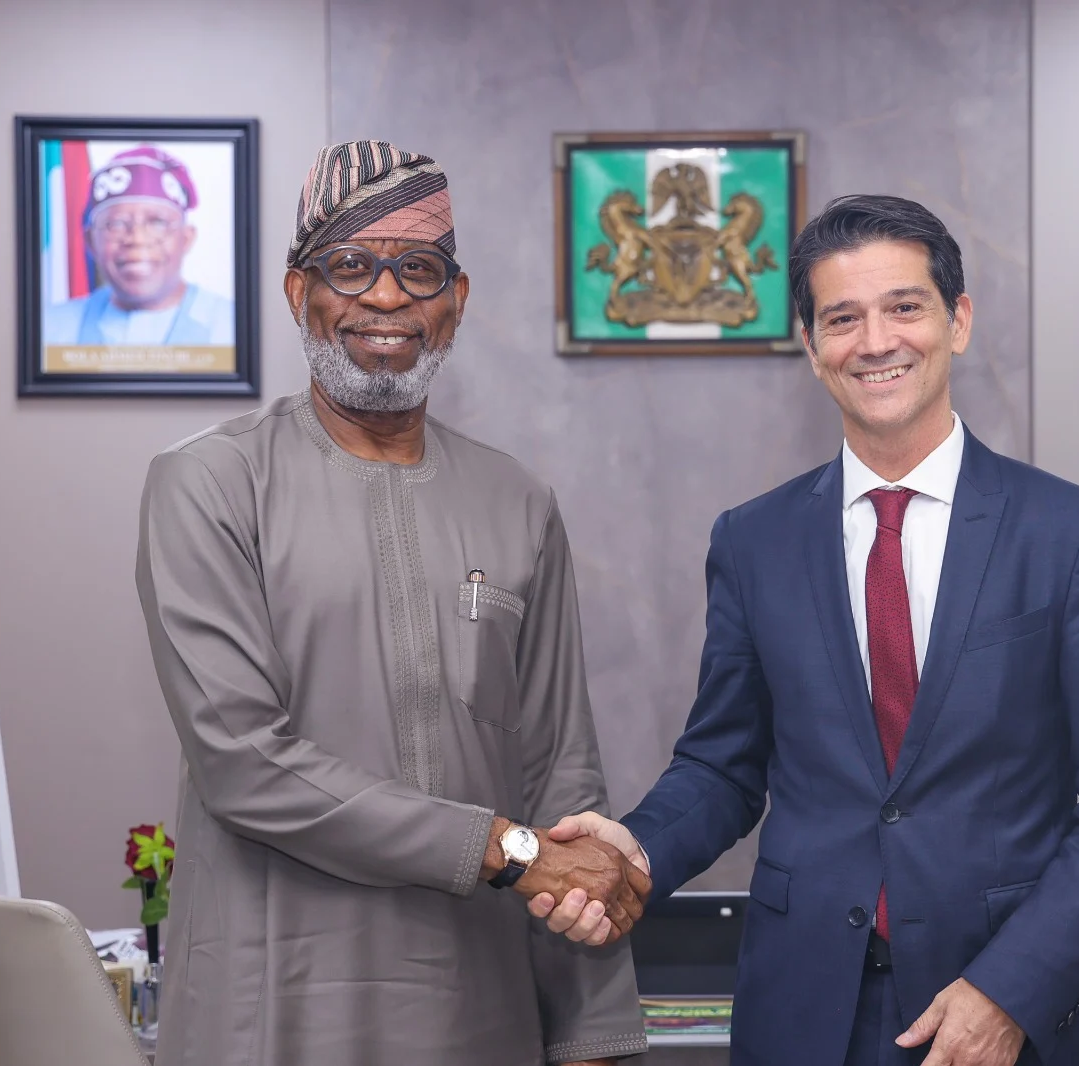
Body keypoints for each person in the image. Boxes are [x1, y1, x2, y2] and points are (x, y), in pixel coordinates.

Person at [535, 195, 1079, 1066]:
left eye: (904, 307)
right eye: (842, 318)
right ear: (811, 348)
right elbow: (724, 765)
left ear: (957, 320)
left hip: (1010, 1012)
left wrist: (1011, 989)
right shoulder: (753, 540)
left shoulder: (1074, 536)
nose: (875, 342)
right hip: (803, 1013)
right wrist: (637, 847)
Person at [135, 140, 648, 1066]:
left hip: (479, 1016)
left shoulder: (518, 502)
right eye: (350, 266)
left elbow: (562, 782)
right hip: (272, 1012)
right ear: (301, 295)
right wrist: (512, 849)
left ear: (455, 303)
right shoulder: (212, 483)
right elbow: (244, 762)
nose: (384, 298)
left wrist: (592, 1031)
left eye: (418, 269)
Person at [45, 145, 234, 346]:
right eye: (116, 224)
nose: (137, 238)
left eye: (157, 223)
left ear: (186, 239)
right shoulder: (48, 331)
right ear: (91, 242)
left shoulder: (235, 327)